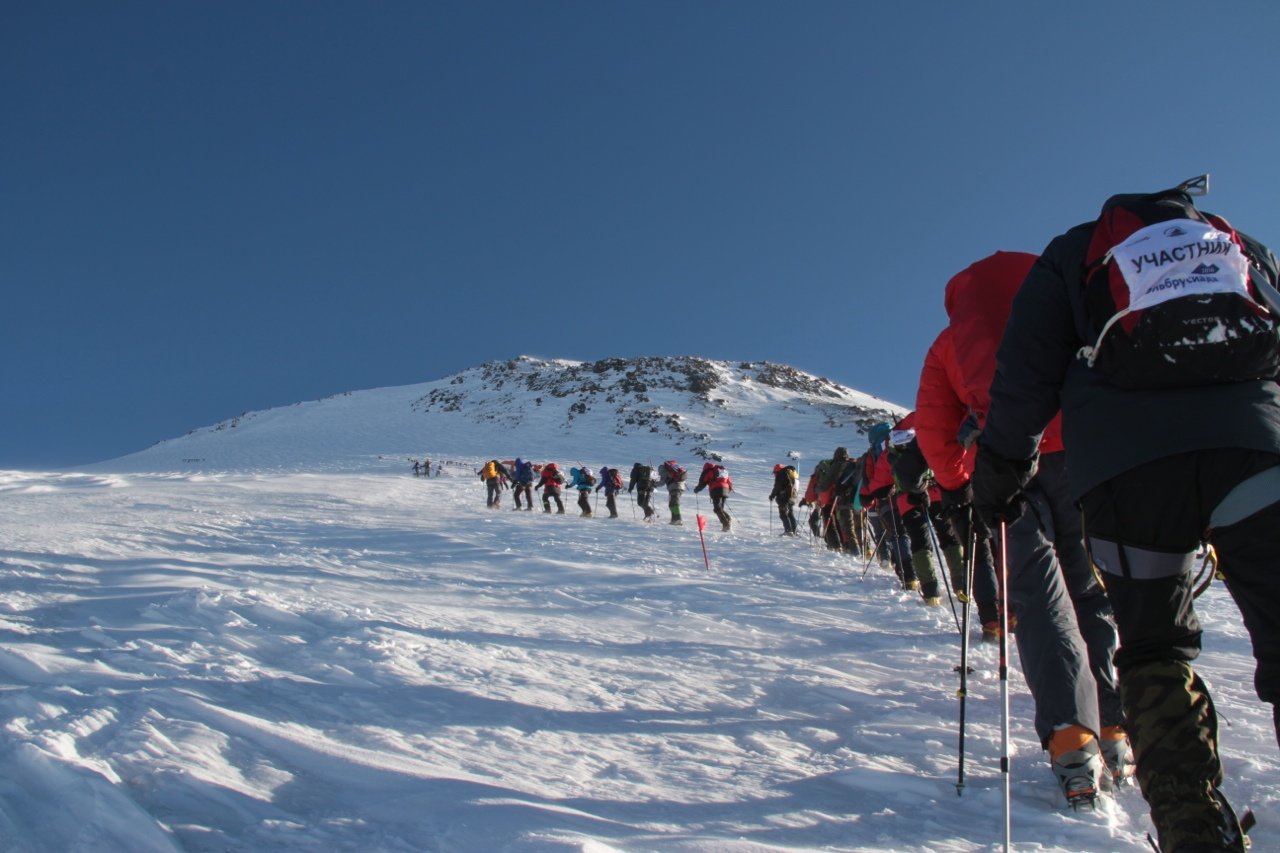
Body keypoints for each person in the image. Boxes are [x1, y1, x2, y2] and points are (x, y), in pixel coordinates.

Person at [973, 180, 1280, 849]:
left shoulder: (1071, 254)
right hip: (1258, 451)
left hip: (1127, 470)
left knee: (1154, 644)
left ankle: (1190, 823)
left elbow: (1026, 373)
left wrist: (1001, 472)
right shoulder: (1232, 242)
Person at [693, 462, 733, 531]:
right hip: (726, 490)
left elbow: (702, 482)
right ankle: (728, 519)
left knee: (717, 509)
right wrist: (726, 492)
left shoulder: (708, 471)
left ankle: (726, 524)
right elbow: (730, 483)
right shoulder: (722, 471)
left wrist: (697, 489)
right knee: (720, 509)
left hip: (716, 489)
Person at [768, 463, 800, 535]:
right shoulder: (790, 474)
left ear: (777, 471)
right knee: (790, 514)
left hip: (784, 498)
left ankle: (788, 531)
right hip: (792, 497)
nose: (775, 474)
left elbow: (777, 487)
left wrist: (772, 495)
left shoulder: (781, 474)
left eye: (775, 473)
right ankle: (794, 530)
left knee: (783, 514)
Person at [657, 460, 686, 525]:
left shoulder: (664, 470)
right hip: (681, 486)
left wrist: (654, 484)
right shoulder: (674, 468)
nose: (659, 473)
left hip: (674, 487)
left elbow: (662, 482)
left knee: (674, 503)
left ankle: (678, 519)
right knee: (672, 504)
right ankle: (674, 520)